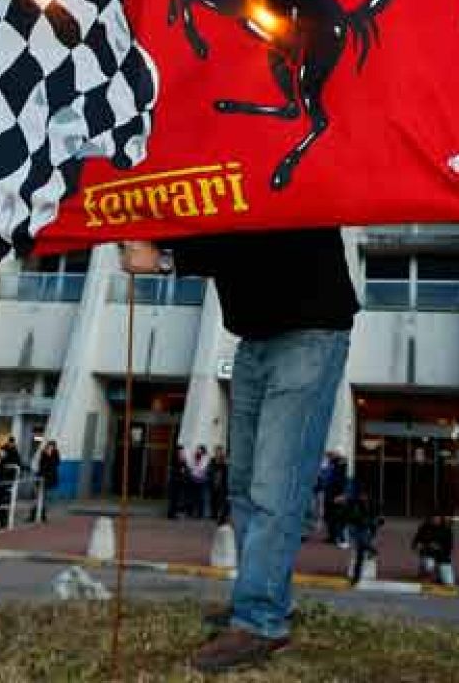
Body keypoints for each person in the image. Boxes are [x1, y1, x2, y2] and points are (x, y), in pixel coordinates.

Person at [122, 228, 356, 673]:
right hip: (255, 337)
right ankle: (263, 601)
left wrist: (167, 258)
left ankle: (260, 621)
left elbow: (255, 233)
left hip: (310, 330)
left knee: (275, 487)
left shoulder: (283, 166)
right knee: (245, 486)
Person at [345, 489, 383, 585]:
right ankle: (372, 550)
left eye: (365, 496)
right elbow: (352, 517)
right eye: (362, 496)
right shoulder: (355, 504)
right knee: (361, 550)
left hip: (365, 530)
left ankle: (355, 578)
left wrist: (375, 523)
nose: (363, 498)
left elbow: (377, 520)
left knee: (360, 554)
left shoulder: (371, 506)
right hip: (357, 529)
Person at [412, 514, 454, 583]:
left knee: (449, 582)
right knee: (429, 565)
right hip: (428, 554)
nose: (435, 519)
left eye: (438, 518)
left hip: (442, 558)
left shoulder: (447, 530)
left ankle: (439, 577)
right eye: (434, 518)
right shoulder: (424, 528)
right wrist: (424, 545)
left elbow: (449, 547)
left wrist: (439, 548)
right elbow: (415, 543)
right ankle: (425, 576)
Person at [32, 440, 61, 522]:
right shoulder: (43, 453)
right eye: (49, 446)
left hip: (49, 479)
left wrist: (50, 455)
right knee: (39, 497)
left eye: (52, 446)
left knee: (43, 498)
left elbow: (56, 463)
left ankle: (40, 515)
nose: (50, 448)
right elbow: (42, 465)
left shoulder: (56, 453)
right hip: (42, 477)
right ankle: (37, 515)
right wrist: (47, 455)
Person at [209, 445, 231, 525]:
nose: (219, 453)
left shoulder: (224, 462)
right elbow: (210, 470)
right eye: (217, 451)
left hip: (223, 485)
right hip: (215, 484)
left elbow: (227, 472)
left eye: (220, 451)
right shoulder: (213, 461)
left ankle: (221, 517)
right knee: (215, 501)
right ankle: (215, 515)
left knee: (222, 501)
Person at [189, 444, 211, 519]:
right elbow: (191, 466)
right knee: (194, 497)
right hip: (194, 479)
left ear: (202, 450)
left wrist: (196, 467)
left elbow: (202, 468)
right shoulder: (195, 457)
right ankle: (193, 513)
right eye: (197, 449)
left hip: (201, 480)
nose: (198, 451)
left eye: (199, 449)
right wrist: (195, 463)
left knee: (201, 497)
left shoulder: (205, 458)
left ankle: (200, 513)